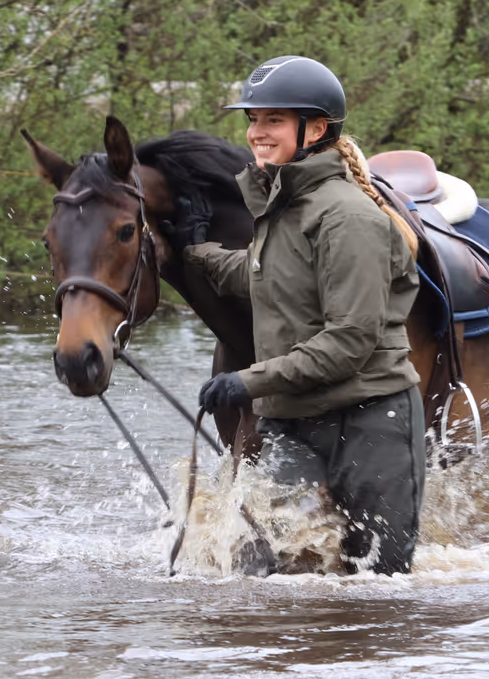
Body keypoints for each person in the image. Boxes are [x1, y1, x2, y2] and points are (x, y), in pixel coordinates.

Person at [166, 56, 425, 575]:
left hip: (370, 421)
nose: (256, 132)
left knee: (376, 584)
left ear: (317, 128)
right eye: (253, 120)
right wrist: (193, 253)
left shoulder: (349, 218)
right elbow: (269, 277)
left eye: (273, 121)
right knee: (266, 570)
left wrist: (246, 380)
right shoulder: (279, 205)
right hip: (290, 421)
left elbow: (350, 340)